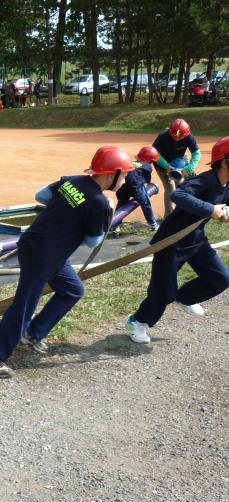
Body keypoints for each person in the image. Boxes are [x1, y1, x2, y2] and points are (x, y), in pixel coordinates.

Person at [0, 146, 134, 378]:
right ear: (111, 175)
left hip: (39, 245)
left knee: (72, 290)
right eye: (125, 175)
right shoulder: (100, 203)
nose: (125, 180)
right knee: (24, 305)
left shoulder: (72, 181)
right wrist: (108, 213)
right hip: (44, 254)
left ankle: (32, 333)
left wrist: (66, 212)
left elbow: (41, 196)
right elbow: (93, 241)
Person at [127, 137, 229, 343]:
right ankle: (138, 321)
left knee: (221, 279)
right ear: (225, 161)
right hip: (171, 242)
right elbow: (179, 195)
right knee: (164, 292)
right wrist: (210, 209)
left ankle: (185, 298)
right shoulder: (205, 180)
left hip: (196, 241)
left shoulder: (226, 185)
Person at [152, 118, 201, 218]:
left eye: (180, 137)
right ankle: (169, 217)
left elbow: (196, 153)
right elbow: (155, 154)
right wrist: (166, 166)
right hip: (162, 165)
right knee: (170, 187)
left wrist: (190, 167)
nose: (177, 139)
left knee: (181, 186)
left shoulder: (189, 137)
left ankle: (180, 213)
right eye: (174, 137)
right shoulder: (162, 137)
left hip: (179, 164)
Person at [114, 146, 160, 231]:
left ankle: (115, 225)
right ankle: (153, 224)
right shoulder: (148, 166)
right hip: (135, 186)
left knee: (121, 204)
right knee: (145, 203)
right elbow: (146, 180)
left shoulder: (133, 163)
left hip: (121, 185)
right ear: (151, 160)